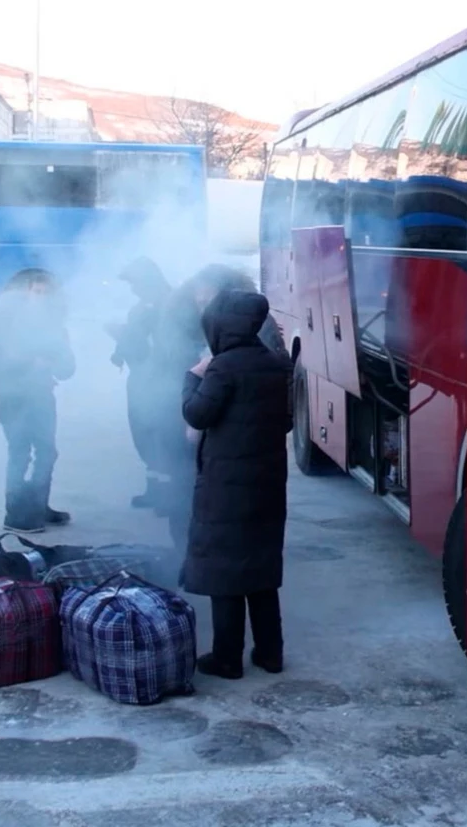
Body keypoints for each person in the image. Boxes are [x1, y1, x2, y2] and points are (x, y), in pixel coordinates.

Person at [181, 288, 295, 679]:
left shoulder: (222, 368)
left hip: (226, 485)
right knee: (260, 570)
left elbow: (197, 415)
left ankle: (227, 657)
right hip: (267, 483)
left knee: (225, 570)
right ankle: (270, 653)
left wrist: (191, 377)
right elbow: (287, 421)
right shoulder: (276, 363)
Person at [0, 268, 76, 533]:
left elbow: (68, 367)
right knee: (20, 454)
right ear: (25, 292)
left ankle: (38, 504)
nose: (40, 297)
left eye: (45, 293)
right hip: (14, 396)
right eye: (36, 291)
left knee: (47, 452)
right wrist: (30, 362)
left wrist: (56, 362)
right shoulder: (5, 323)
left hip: (41, 397)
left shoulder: (54, 325)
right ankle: (15, 513)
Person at [107, 257, 174, 510]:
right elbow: (133, 337)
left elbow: (169, 343)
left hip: (162, 379)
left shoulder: (171, 305)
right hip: (140, 378)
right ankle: (154, 490)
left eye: (135, 283)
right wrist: (119, 347)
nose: (133, 289)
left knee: (162, 435)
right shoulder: (140, 307)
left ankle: (168, 495)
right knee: (143, 433)